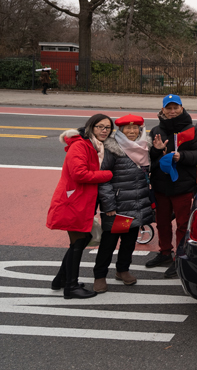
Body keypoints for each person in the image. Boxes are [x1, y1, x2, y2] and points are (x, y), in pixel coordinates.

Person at [47, 114, 114, 299]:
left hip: (82, 201)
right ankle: (71, 287)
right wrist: (108, 174)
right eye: (100, 126)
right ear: (91, 127)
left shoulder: (95, 146)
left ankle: (61, 279)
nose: (104, 130)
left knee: (82, 240)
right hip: (73, 201)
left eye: (108, 127)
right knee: (78, 242)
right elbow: (79, 174)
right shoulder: (80, 146)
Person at [147, 94, 197, 278]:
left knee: (182, 224)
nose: (172, 111)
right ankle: (165, 252)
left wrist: (181, 156)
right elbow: (150, 157)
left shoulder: (191, 129)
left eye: (175, 108)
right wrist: (156, 150)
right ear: (163, 109)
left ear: (181, 108)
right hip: (161, 185)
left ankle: (179, 258)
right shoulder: (157, 129)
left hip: (183, 185)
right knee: (162, 222)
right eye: (169, 108)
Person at [93, 114, 154, 294]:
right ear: (120, 130)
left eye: (135, 127)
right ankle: (100, 275)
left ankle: (122, 270)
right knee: (109, 242)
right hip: (118, 207)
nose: (132, 131)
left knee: (129, 242)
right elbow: (104, 179)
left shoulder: (145, 147)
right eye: (128, 128)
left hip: (137, 203)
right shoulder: (113, 149)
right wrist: (109, 206)